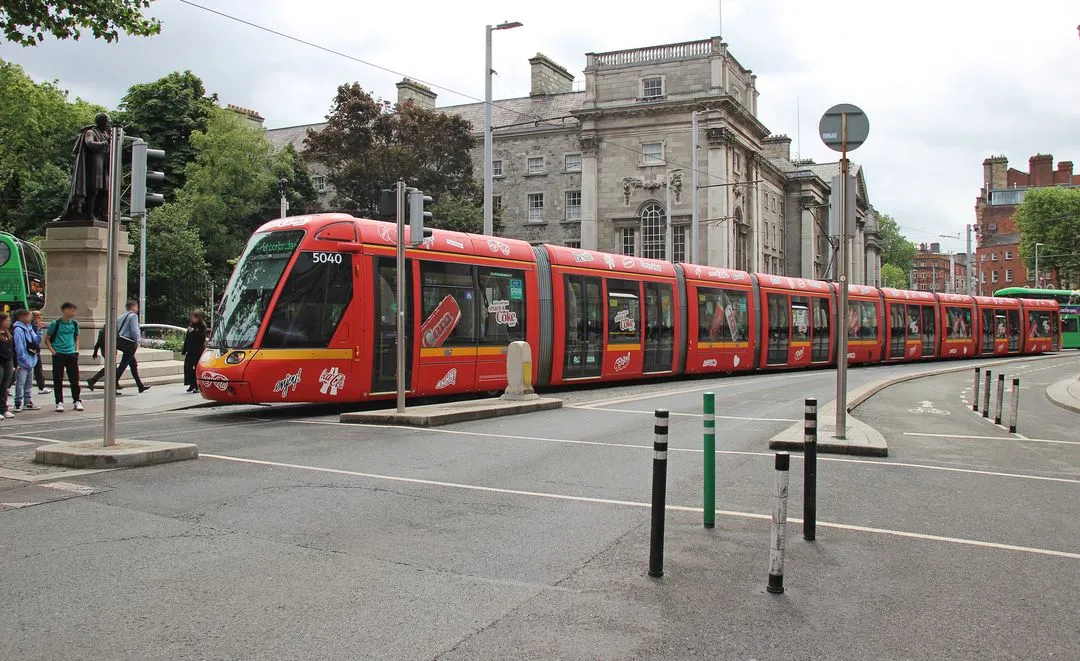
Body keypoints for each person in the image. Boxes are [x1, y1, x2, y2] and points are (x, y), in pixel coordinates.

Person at [88, 299, 148, 393]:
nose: (137, 308)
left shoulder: (121, 316)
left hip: (120, 341)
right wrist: (138, 341)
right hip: (129, 343)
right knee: (123, 365)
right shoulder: (133, 316)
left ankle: (140, 385)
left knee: (133, 364)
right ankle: (113, 383)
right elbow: (134, 330)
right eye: (136, 307)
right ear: (133, 307)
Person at [43, 302, 83, 412]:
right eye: (72, 310)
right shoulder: (55, 323)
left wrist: (76, 350)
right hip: (59, 354)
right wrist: (53, 352)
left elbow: (76, 338)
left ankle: (77, 400)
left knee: (74, 379)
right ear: (65, 310)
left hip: (71, 354)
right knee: (58, 379)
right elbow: (47, 339)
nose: (74, 312)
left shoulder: (75, 324)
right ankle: (59, 402)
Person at [12, 309, 40, 412]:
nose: (30, 318)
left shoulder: (29, 327)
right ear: (22, 317)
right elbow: (19, 347)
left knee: (28, 382)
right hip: (23, 361)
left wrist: (39, 332)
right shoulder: (18, 329)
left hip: (31, 359)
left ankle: (27, 401)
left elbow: (36, 340)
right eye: (28, 316)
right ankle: (18, 402)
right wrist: (23, 359)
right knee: (21, 382)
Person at [181, 310, 207, 393]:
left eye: (194, 317)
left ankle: (197, 386)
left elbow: (202, 338)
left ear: (198, 317)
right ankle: (192, 383)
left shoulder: (202, 326)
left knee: (196, 368)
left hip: (198, 350)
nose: (192, 319)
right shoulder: (191, 325)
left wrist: (194, 331)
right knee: (187, 367)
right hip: (190, 350)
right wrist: (184, 350)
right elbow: (187, 338)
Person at [30, 311, 50, 395]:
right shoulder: (32, 326)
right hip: (33, 350)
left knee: (37, 369)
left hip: (34, 349)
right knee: (37, 368)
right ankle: (42, 386)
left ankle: (42, 386)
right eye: (39, 317)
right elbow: (36, 340)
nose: (40, 319)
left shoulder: (33, 326)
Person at [0, 313, 14, 419]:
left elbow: (13, 349)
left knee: (5, 386)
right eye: (7, 320)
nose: (9, 322)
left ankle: (3, 408)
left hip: (8, 361)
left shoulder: (8, 334)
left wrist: (15, 363)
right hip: (0, 361)